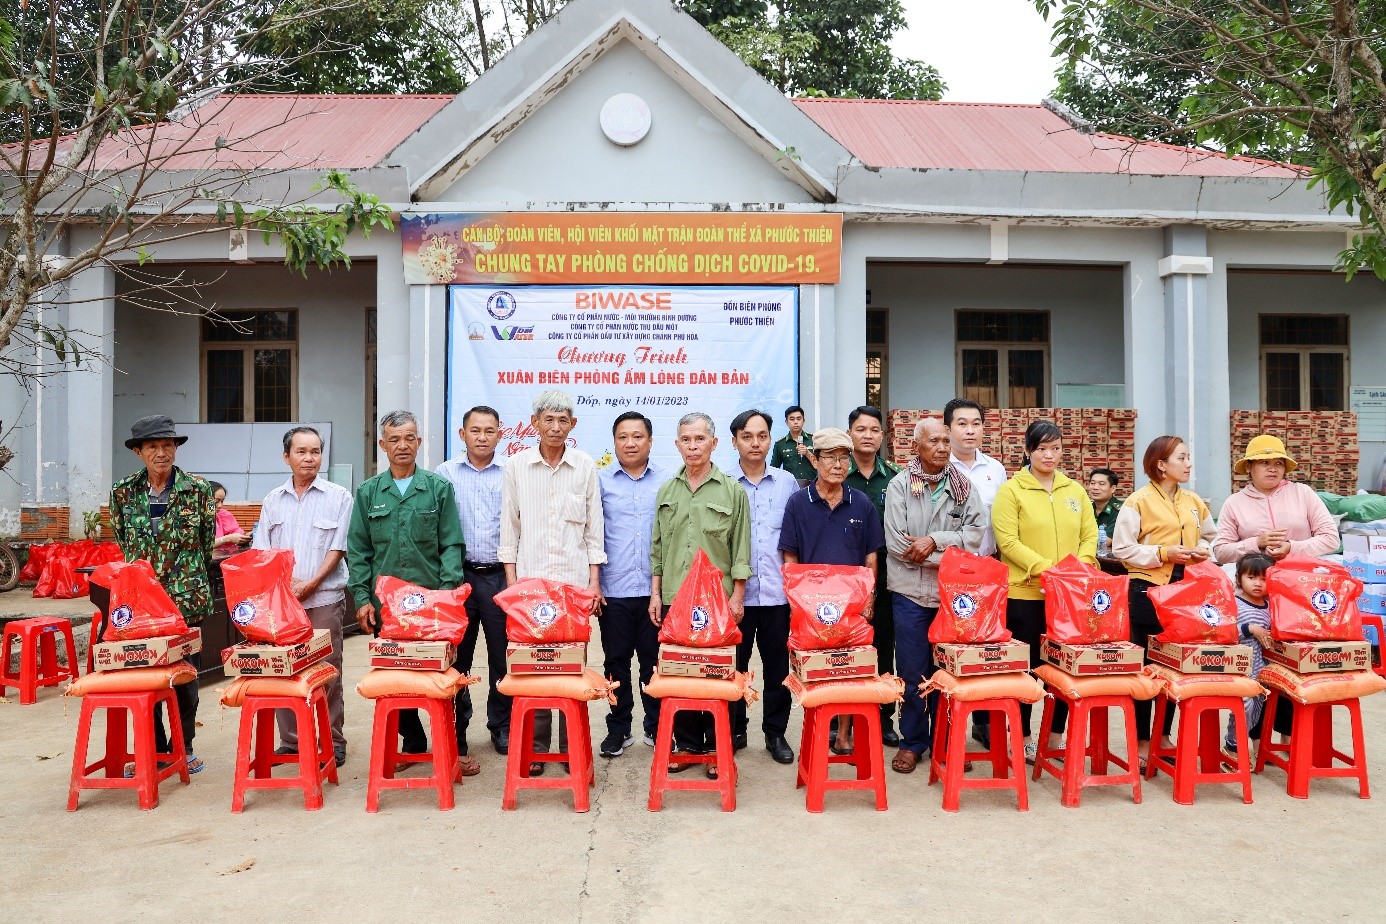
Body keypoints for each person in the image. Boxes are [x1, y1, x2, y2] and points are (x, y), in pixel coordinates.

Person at [347, 410, 468, 767]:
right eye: (394, 439)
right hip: (387, 609)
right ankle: (413, 744)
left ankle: (452, 747)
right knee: (396, 678)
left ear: (419, 442)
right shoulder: (369, 492)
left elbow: (451, 545)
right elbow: (359, 551)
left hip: (431, 605)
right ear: (382, 445)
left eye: (409, 438)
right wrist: (362, 599)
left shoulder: (437, 488)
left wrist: (446, 598)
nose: (402, 445)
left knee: (443, 676)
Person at [499, 390, 605, 773]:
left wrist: (594, 583)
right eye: (549, 420)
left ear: (572, 424)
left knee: (572, 667)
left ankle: (571, 747)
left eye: (563, 421)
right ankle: (538, 748)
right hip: (530, 588)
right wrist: (513, 587)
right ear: (535, 423)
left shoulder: (585, 466)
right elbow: (509, 530)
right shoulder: (516, 466)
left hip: (573, 588)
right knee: (534, 669)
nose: (556, 427)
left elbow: (594, 531)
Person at [109, 415, 216, 774]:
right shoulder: (123, 492)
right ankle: (153, 749)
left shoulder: (197, 490)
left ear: (175, 448)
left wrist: (183, 576)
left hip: (186, 600)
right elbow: (125, 544)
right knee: (145, 676)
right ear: (138, 452)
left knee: (186, 677)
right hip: (142, 604)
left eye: (167, 445)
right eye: (152, 447)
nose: (161, 453)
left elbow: (205, 545)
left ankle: (183, 747)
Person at [883, 417, 988, 774]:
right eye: (934, 441)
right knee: (912, 672)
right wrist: (949, 555)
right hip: (910, 595)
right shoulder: (900, 486)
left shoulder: (963, 486)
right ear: (916, 447)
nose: (942, 447)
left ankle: (944, 741)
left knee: (947, 672)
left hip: (951, 597)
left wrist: (933, 542)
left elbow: (975, 536)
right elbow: (898, 545)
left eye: (946, 441)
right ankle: (913, 743)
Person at [991, 419, 1098, 765]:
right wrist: (1046, 569)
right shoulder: (1012, 491)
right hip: (1025, 595)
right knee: (1024, 670)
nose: (1049, 455)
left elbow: (1089, 536)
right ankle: (1021, 736)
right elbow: (1008, 541)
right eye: (1041, 449)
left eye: (1055, 448)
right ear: (1028, 451)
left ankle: (1054, 737)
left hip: (1069, 598)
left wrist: (1076, 569)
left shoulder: (1075, 490)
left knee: (1064, 669)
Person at [650, 411, 751, 777]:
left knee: (718, 674)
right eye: (686, 440)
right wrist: (655, 594)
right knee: (680, 673)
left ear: (714, 443)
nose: (693, 446)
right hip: (676, 598)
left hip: (718, 600)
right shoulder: (667, 490)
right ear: (677, 444)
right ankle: (688, 744)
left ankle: (717, 745)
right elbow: (658, 548)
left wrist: (737, 596)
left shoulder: (732, 490)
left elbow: (741, 549)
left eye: (700, 439)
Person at [1112, 434, 1217, 764]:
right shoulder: (1138, 501)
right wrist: (1162, 553)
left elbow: (1212, 538)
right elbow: (1122, 549)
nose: (1188, 464)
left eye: (1188, 457)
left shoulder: (1194, 501)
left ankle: (1164, 735)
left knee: (1173, 664)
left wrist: (1203, 551)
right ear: (1161, 465)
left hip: (1185, 591)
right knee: (1146, 667)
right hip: (1147, 590)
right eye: (1181, 458)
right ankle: (1143, 740)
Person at [780, 428, 885, 755]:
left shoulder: (861, 502)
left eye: (843, 458)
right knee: (816, 668)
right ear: (815, 460)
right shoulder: (798, 503)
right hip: (811, 604)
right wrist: (796, 601)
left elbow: (871, 555)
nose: (838, 465)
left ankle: (842, 735)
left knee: (848, 668)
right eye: (830, 457)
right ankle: (817, 729)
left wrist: (869, 598)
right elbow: (790, 555)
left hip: (851, 605)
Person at [255, 426, 353, 767]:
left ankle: (332, 741)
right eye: (301, 451)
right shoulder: (272, 500)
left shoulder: (339, 496)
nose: (309, 458)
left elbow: (339, 547)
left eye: (315, 451)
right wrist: (286, 583)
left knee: (327, 670)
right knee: (285, 669)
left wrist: (312, 582)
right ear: (287, 457)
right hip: (282, 603)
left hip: (324, 597)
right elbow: (263, 551)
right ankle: (292, 741)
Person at [434, 405, 512, 758]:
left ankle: (502, 726)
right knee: (457, 658)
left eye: (489, 431)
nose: (482, 437)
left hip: (500, 577)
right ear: (462, 434)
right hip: (459, 578)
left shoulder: (511, 473)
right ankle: (457, 728)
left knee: (503, 658)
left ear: (500, 434)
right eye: (475, 430)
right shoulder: (445, 474)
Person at [728, 409, 800, 764]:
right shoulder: (724, 483)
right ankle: (735, 730)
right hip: (734, 598)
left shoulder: (787, 483)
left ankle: (775, 733)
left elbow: (795, 540)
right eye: (747, 436)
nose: (755, 443)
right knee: (733, 668)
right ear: (734, 442)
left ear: (771, 439)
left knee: (777, 670)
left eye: (761, 436)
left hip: (777, 596)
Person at [596, 411, 665, 757]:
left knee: (654, 663)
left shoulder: (667, 481)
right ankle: (618, 728)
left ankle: (655, 726)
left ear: (650, 441)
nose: (630, 443)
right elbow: (592, 534)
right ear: (614, 442)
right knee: (616, 663)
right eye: (623, 437)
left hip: (654, 592)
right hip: (614, 590)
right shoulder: (600, 482)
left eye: (638, 436)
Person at [944, 397, 1006, 749]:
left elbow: (1001, 524)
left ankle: (983, 722)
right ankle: (948, 725)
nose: (970, 430)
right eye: (962, 424)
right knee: (951, 649)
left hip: (986, 572)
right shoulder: (939, 466)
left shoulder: (995, 469)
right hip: (948, 573)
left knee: (985, 649)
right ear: (948, 428)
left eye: (976, 424)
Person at [843, 405, 901, 747]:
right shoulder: (838, 473)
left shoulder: (894, 478)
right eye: (861, 429)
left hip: (886, 577)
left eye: (874, 430)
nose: (868, 435)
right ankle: (841, 720)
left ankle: (882, 718)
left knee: (882, 647)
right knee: (843, 648)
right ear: (850, 433)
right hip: (843, 580)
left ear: (882, 436)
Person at [1213, 435, 1339, 564]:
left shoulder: (1302, 492)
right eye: (1264, 462)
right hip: (1257, 575)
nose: (1273, 469)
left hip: (1299, 572)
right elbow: (1221, 552)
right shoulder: (1234, 503)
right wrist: (1256, 543)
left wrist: (1292, 547)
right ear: (1248, 467)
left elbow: (1331, 539)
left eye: (1278, 463)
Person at [1224, 552, 1293, 759]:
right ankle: (1232, 745)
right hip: (1238, 668)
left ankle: (1248, 742)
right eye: (1251, 577)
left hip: (1262, 669)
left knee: (1257, 708)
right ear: (1239, 579)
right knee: (1244, 705)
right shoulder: (1234, 603)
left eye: (1264, 579)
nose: (1257, 583)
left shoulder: (1271, 606)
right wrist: (1249, 628)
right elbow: (1223, 631)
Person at [770, 405, 816, 487]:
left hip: (813, 486)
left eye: (799, 419)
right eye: (792, 419)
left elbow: (821, 464)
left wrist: (807, 453)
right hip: (790, 486)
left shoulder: (814, 440)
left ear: (803, 421)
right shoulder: (780, 444)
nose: (795, 422)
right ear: (786, 422)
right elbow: (774, 470)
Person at [209, 481, 248, 558]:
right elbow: (198, 545)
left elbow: (234, 532)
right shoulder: (192, 519)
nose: (220, 505)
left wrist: (244, 537)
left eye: (222, 501)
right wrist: (226, 539)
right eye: (216, 501)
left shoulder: (222, 515)